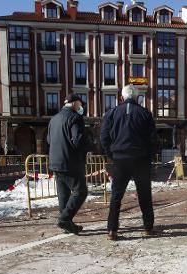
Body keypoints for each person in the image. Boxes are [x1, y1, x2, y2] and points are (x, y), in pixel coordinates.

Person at [101, 85, 157, 241]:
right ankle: (148, 227)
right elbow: (153, 139)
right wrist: (149, 156)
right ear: (137, 98)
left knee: (116, 195)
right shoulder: (145, 113)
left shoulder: (111, 113)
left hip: (120, 159)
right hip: (141, 159)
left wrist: (112, 154)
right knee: (144, 194)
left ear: (121, 98)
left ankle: (112, 229)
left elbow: (104, 137)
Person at [47, 93, 93, 234]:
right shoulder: (75, 118)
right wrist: (88, 147)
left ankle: (66, 223)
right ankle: (65, 219)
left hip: (55, 162)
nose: (81, 107)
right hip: (70, 161)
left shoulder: (53, 119)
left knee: (64, 194)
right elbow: (78, 140)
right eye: (80, 104)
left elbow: (49, 140)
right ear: (74, 103)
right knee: (80, 191)